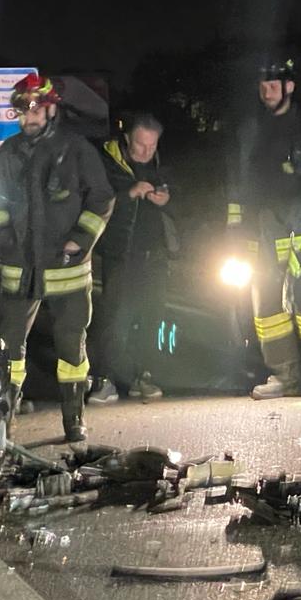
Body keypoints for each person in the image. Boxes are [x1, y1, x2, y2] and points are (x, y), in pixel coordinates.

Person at [0, 73, 115, 443]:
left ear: (51, 108)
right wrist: (3, 233)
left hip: (68, 271)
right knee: (9, 351)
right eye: (22, 111)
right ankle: (5, 423)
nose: (29, 118)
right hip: (19, 271)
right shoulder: (7, 153)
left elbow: (102, 198)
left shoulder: (75, 149)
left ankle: (74, 420)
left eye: (35, 110)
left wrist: (81, 240)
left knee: (72, 350)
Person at [226, 55, 301, 400]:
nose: (267, 91)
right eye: (263, 86)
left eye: (273, 85)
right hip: (258, 238)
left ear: (289, 86)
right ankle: (283, 376)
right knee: (266, 311)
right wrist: (234, 233)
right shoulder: (249, 131)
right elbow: (236, 186)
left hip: (299, 236)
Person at [88, 113, 177, 405]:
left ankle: (145, 376)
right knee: (115, 319)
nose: (145, 152)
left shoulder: (159, 163)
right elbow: (96, 199)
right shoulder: (107, 162)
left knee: (152, 317)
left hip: (156, 255)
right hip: (121, 254)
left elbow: (176, 193)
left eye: (151, 146)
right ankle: (105, 379)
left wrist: (167, 197)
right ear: (127, 140)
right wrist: (129, 193)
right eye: (141, 145)